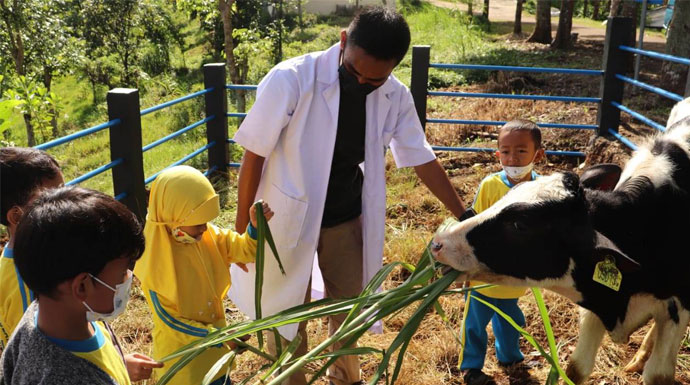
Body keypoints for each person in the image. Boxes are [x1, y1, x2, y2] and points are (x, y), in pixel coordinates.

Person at [228, 7, 465, 385]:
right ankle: (289, 379)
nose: (361, 84)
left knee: (351, 307)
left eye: (373, 80)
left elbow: (421, 158)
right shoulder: (291, 79)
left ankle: (345, 377)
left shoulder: (393, 95)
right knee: (285, 312)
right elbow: (253, 153)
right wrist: (241, 234)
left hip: (344, 216)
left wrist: (464, 213)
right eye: (354, 72)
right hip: (282, 218)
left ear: (391, 69)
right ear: (342, 41)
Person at [0, 186, 162, 384]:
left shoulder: (47, 314)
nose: (129, 277)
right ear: (82, 287)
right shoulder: (67, 377)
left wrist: (120, 365)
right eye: (122, 273)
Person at [133, 165, 273, 385]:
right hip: (184, 362)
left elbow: (244, 249)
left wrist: (254, 228)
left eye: (206, 222)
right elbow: (171, 321)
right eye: (198, 224)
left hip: (216, 354)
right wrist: (217, 336)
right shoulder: (153, 261)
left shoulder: (209, 236)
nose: (204, 229)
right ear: (174, 218)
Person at [459, 120, 544, 385]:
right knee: (475, 323)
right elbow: (473, 225)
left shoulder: (542, 189)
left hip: (515, 274)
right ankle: (471, 368)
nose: (512, 157)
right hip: (484, 273)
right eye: (505, 151)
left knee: (511, 319)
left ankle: (511, 359)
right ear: (497, 154)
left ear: (537, 154)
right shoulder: (490, 186)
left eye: (521, 151)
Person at [0, 147, 63, 350]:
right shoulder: (27, 281)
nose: (67, 204)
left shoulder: (39, 254)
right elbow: (39, 355)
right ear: (16, 217)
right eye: (51, 200)